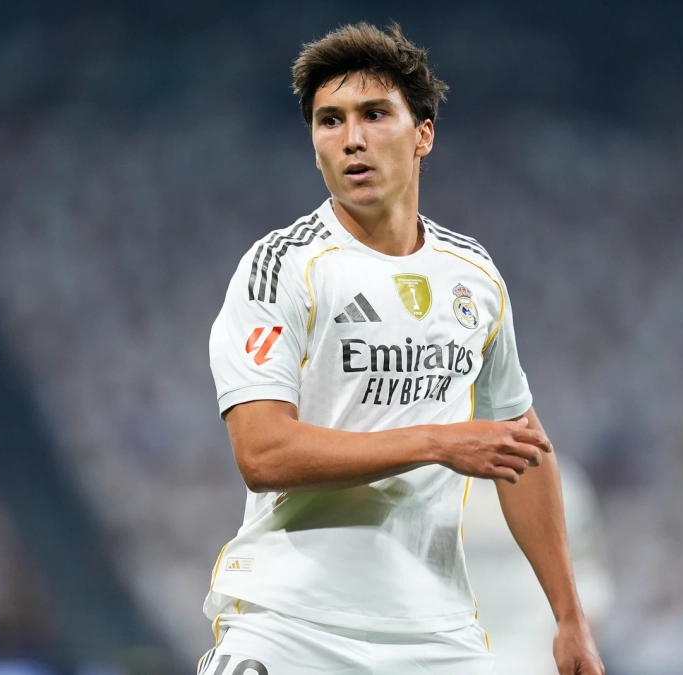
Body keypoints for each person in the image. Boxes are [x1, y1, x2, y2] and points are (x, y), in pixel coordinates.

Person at [202, 22, 604, 675]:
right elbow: (262, 451)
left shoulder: (473, 274)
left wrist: (569, 616)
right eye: (329, 121)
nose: (352, 138)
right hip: (293, 623)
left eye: (374, 114)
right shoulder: (280, 267)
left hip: (434, 634)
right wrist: (437, 441)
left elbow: (520, 447)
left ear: (423, 134)